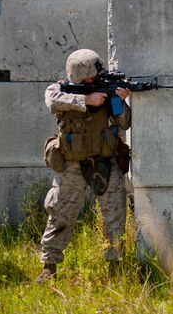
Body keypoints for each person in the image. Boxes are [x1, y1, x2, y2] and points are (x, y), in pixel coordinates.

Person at [37, 49, 132, 283]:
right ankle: (49, 266)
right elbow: (52, 101)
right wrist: (86, 100)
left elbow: (125, 124)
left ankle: (114, 265)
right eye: (92, 76)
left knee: (115, 214)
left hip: (104, 159)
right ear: (79, 77)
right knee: (61, 213)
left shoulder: (106, 90)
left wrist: (119, 101)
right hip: (71, 163)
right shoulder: (60, 89)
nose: (97, 79)